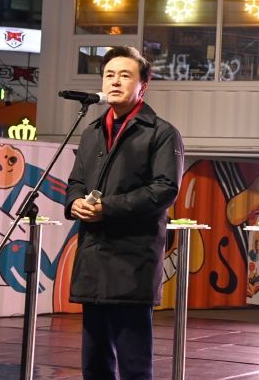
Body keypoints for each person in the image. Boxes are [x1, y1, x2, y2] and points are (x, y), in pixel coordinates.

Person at [65, 46, 183, 379]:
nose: (115, 81)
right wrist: (74, 203)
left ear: (144, 84)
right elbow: (75, 182)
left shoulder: (162, 133)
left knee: (134, 365)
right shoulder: (91, 131)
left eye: (125, 75)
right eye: (109, 74)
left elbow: (165, 189)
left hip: (132, 262)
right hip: (93, 259)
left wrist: (107, 208)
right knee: (94, 362)